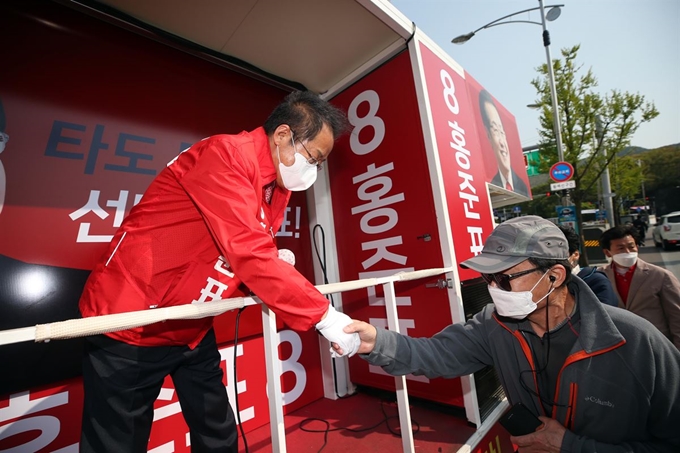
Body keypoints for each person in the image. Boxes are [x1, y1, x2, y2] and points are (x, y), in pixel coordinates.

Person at [78, 90, 360, 453]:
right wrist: (324, 316)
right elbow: (247, 248)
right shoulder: (225, 155)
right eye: (314, 158)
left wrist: (270, 265)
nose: (315, 170)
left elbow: (241, 250)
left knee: (219, 433)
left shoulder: (277, 186)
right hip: (131, 323)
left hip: (191, 324)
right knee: (117, 444)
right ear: (283, 136)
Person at [335, 216, 680, 452]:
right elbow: (434, 354)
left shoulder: (636, 343)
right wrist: (374, 342)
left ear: (555, 276)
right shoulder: (492, 324)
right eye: (488, 279)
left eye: (504, 279)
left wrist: (570, 446)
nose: (493, 289)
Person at [599, 224, 680, 349]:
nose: (627, 252)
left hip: (655, 344)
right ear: (607, 252)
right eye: (620, 248)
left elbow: (676, 315)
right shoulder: (599, 277)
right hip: (618, 347)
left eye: (631, 247)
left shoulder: (660, 276)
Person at [479, 89, 529, 197]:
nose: (502, 143)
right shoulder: (491, 184)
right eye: (496, 131)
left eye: (502, 131)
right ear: (488, 136)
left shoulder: (523, 188)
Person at [557, 224, 618, 307]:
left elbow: (604, 317)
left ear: (575, 255)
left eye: (558, 254)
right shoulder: (539, 282)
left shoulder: (596, 282)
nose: (552, 260)